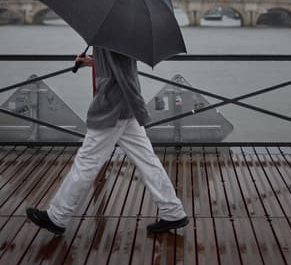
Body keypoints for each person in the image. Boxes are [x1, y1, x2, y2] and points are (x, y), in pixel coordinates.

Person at [26, 47, 189, 235]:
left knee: (86, 162)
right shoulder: (120, 33)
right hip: (125, 109)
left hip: (112, 109)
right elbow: (117, 63)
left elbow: (125, 73)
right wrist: (94, 61)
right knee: (147, 160)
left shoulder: (112, 33)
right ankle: (173, 212)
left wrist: (140, 109)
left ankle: (57, 217)